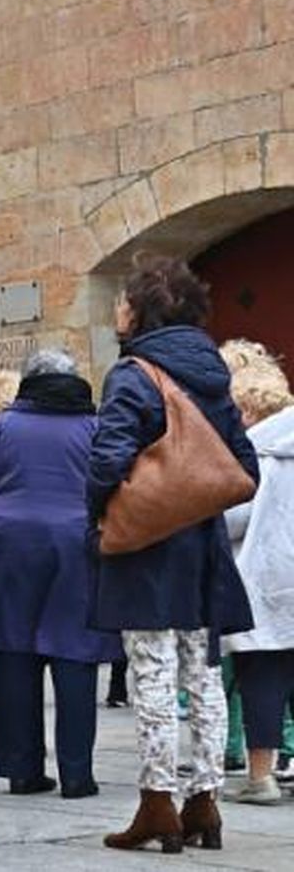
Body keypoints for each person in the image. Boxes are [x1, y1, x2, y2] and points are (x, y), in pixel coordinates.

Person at [90, 253, 257, 854]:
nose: (116, 309)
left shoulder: (134, 373)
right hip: (204, 548)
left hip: (147, 549)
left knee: (153, 676)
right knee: (204, 674)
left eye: (122, 299)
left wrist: (100, 513)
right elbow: (243, 461)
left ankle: (157, 804)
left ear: (140, 309)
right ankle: (205, 802)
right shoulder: (212, 372)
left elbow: (108, 457)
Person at [0, 349, 121, 800]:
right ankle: (77, 775)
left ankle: (22, 769)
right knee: (75, 658)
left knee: (12, 657)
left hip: (7, 549)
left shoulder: (0, 428)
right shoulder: (97, 428)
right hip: (76, 548)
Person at [219, 339, 294, 805]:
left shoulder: (256, 453)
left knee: (261, 673)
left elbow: (234, 519)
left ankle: (260, 777)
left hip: (264, 579)